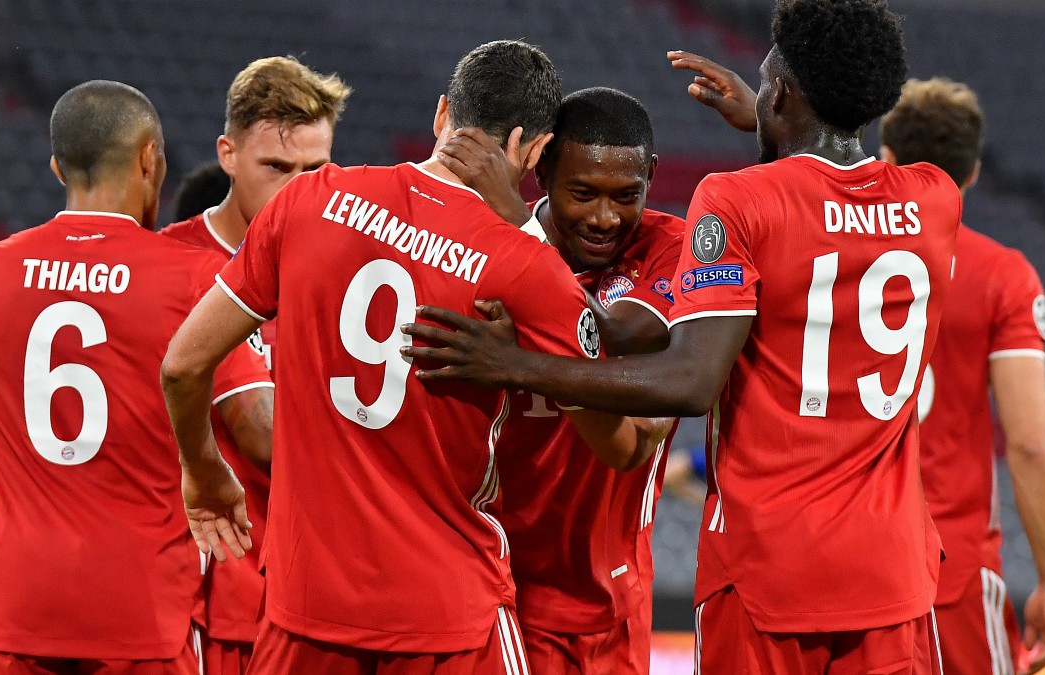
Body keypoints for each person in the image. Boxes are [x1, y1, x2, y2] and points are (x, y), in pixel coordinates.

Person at [401, 1, 963, 672]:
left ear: (782, 92)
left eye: (767, 81)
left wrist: (517, 362)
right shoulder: (936, 197)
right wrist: (773, 120)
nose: (606, 216)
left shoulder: (733, 202)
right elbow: (832, 193)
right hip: (891, 569)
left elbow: (689, 378)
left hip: (766, 567)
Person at [162, 39, 663, 673]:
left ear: (442, 115)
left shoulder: (307, 201)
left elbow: (181, 364)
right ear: (533, 151)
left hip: (303, 612)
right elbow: (621, 447)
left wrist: (203, 471)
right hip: (447, 615)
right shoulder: (526, 267)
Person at [0, 80, 270, 673]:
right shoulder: (192, 279)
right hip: (142, 618)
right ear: (150, 158)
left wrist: (21, 417)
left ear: (56, 167)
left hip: (13, 612)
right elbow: (259, 432)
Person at [436, 86, 682, 674]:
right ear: (542, 171)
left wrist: (523, 231)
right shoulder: (479, 246)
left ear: (652, 175)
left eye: (627, 196)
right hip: (489, 581)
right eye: (582, 194)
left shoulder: (670, 249)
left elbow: (621, 335)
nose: (604, 218)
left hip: (607, 595)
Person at [158, 55, 351, 675]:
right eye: (276, 167)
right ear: (228, 154)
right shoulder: (169, 264)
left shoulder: (357, 269)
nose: (298, 189)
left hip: (332, 591)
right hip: (220, 594)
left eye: (316, 169)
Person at [880, 77, 1045, 675]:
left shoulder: (830, 260)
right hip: (950, 575)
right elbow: (1033, 443)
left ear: (885, 160)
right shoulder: (1002, 276)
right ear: (975, 172)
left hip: (846, 565)